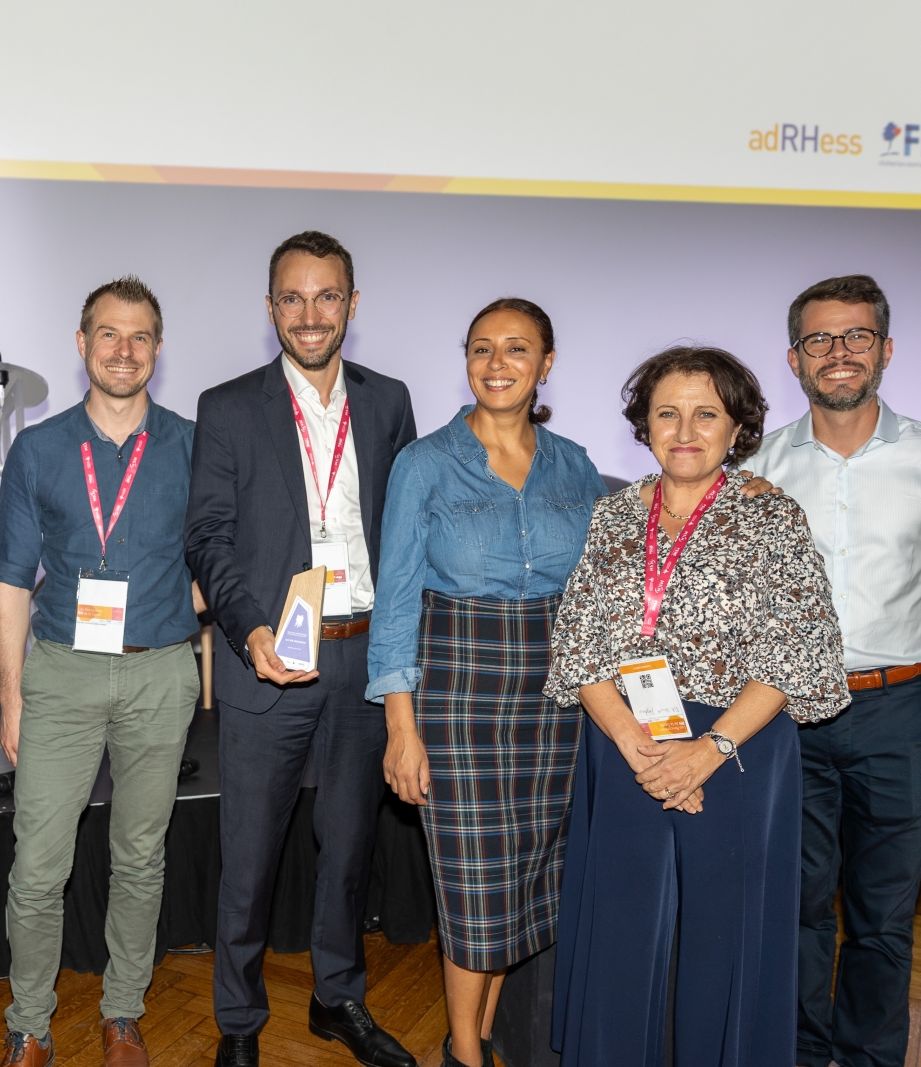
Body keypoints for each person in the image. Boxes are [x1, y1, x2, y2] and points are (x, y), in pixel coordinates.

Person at [543, 346, 850, 1066]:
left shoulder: (771, 517)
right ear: (644, 425)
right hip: (626, 744)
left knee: (724, 934)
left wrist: (706, 753)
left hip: (737, 749)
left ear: (737, 426)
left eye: (706, 414)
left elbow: (794, 654)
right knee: (623, 928)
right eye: (667, 414)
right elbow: (579, 646)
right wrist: (638, 748)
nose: (685, 431)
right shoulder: (613, 515)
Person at [747, 275, 921, 1067]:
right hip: (786, 714)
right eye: (819, 338)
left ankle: (869, 1058)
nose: (839, 352)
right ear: (794, 358)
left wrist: (902, 682)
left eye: (856, 335)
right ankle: (798, 1051)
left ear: (886, 350)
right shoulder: (757, 466)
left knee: (884, 914)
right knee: (796, 905)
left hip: (899, 713)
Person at [186, 231, 417, 1067]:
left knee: (349, 847)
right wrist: (250, 629)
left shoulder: (389, 401)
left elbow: (405, 533)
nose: (309, 314)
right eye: (292, 297)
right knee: (249, 856)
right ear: (270, 307)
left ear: (352, 304)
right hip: (268, 662)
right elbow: (208, 537)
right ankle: (239, 1022)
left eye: (326, 296)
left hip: (363, 658)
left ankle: (337, 998)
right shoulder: (227, 406)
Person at [368, 299, 607, 1067]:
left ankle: (465, 1039)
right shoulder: (423, 463)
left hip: (560, 698)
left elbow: (604, 584)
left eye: (516, 347)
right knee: (474, 890)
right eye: (481, 347)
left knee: (524, 886)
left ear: (546, 362)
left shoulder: (575, 465)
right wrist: (401, 728)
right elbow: (396, 600)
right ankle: (467, 1056)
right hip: (458, 689)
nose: (497, 363)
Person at [0, 277, 204, 1067]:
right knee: (38, 865)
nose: (124, 349)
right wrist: (11, 696)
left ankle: (123, 1014)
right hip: (61, 675)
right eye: (108, 334)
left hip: (160, 674)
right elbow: (11, 580)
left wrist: (180, 605)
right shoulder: (40, 449)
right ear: (82, 344)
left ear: (158, 348)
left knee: (140, 858)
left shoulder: (194, 445)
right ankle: (29, 1025)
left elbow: (222, 555)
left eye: (140, 336)